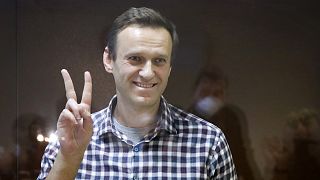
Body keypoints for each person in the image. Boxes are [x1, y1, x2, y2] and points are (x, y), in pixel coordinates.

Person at [37, 7, 237, 179]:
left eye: (159, 60)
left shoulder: (208, 141)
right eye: (135, 58)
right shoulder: (70, 140)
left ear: (169, 67)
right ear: (109, 59)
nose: (148, 73)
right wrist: (69, 159)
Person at [188, 65, 259, 180]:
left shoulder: (231, 119)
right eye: (205, 92)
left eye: (217, 94)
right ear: (194, 94)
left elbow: (240, 154)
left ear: (225, 97)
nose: (210, 98)